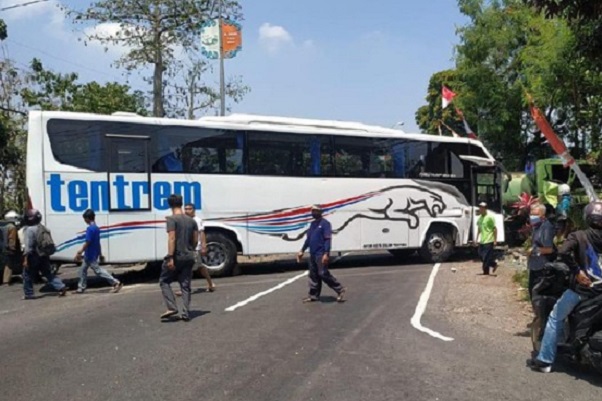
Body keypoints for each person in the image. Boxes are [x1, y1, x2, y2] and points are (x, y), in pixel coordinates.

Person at [529, 200, 602, 373]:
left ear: (586, 217)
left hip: (584, 291)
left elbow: (562, 252)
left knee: (555, 317)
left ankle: (545, 361)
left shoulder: (578, 236)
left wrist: (577, 272)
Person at [159, 194, 198, 322]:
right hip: (189, 256)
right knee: (185, 285)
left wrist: (170, 257)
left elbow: (172, 238)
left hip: (177, 256)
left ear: (169, 205)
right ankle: (185, 312)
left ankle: (172, 307)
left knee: (164, 281)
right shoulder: (191, 221)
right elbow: (195, 240)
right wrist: (190, 250)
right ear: (181, 204)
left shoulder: (171, 219)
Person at [297, 205, 346, 303]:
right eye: (312, 211)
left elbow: (327, 239)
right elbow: (308, 239)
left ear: (321, 212)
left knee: (323, 273)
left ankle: (339, 289)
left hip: (321, 253)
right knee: (313, 275)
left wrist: (326, 253)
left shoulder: (325, 224)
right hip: (313, 253)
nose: (314, 213)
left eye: (316, 211)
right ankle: (313, 295)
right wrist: (302, 250)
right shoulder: (312, 224)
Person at [73, 209, 123, 294]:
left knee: (98, 271)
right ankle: (81, 288)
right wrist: (100, 254)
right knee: (82, 270)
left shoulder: (90, 229)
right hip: (92, 253)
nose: (84, 220)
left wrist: (80, 251)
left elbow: (88, 241)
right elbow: (98, 242)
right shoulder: (96, 228)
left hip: (90, 254)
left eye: (85, 219)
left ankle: (115, 282)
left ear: (88, 218)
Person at [21, 209, 67, 300]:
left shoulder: (29, 230)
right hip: (44, 254)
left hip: (34, 255)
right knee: (47, 273)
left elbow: (29, 246)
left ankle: (29, 294)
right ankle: (61, 286)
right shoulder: (43, 227)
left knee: (27, 275)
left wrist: (25, 259)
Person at [181, 203, 215, 293]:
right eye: (186, 209)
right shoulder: (185, 220)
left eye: (189, 209)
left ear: (194, 210)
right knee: (200, 266)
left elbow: (201, 233)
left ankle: (185, 288)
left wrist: (203, 246)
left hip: (195, 247)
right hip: (188, 247)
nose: (187, 211)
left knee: (189, 267)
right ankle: (210, 284)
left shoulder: (197, 220)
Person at [527, 204, 556, 299]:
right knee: (532, 292)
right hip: (534, 265)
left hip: (542, 267)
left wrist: (533, 250)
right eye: (531, 213)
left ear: (542, 215)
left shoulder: (546, 227)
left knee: (538, 296)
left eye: (535, 214)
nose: (532, 216)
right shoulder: (536, 227)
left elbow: (549, 249)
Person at [476, 202, 498, 275]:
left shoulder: (490, 217)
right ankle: (494, 264)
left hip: (489, 240)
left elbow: (494, 229)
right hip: (482, 240)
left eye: (482, 208)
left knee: (486, 257)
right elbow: (479, 228)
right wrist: (476, 238)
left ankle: (486, 272)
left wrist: (495, 240)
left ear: (485, 209)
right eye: (480, 208)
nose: (481, 209)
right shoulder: (480, 218)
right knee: (480, 255)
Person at [2, 211, 22, 285]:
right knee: (10, 265)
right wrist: (12, 247)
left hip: (5, 247)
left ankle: (6, 280)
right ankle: (6, 281)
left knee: (8, 264)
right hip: (11, 249)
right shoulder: (12, 227)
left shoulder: (5, 226)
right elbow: (12, 238)